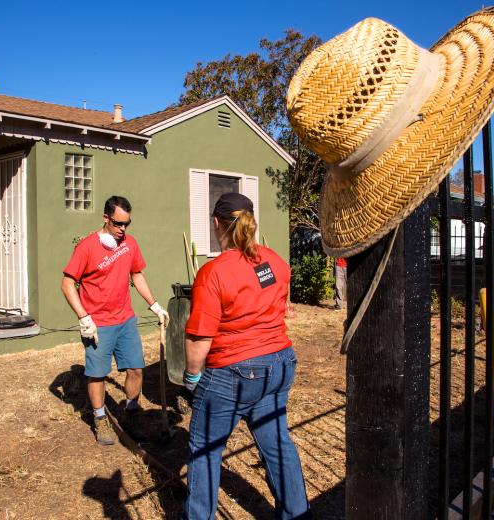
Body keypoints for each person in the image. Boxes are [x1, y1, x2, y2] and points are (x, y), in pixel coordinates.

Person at [182, 192, 310, 519]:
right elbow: (275, 304)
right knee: (277, 443)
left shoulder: (213, 273)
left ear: (216, 224)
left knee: (206, 450)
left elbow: (199, 338)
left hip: (233, 372)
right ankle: (298, 514)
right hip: (278, 364)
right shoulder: (275, 262)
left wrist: (192, 378)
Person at [61, 195, 169, 446]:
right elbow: (67, 285)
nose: (123, 230)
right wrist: (84, 318)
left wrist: (154, 305)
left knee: (136, 370)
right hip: (98, 324)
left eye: (127, 224)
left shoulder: (130, 244)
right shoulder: (87, 247)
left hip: (125, 320)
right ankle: (100, 419)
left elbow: (137, 275)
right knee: (97, 375)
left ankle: (130, 417)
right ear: (105, 218)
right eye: (118, 224)